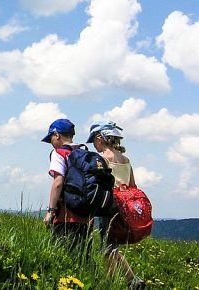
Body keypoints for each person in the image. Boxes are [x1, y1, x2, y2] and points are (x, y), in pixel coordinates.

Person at [87, 121, 146, 290]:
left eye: (94, 141)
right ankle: (133, 281)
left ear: (100, 138)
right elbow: (133, 185)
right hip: (125, 206)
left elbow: (101, 183)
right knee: (112, 246)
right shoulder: (125, 159)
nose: (94, 145)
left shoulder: (103, 159)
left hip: (109, 205)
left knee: (106, 248)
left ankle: (111, 282)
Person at [41, 118, 93, 255]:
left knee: (61, 255)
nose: (51, 143)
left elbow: (58, 182)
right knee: (83, 257)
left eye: (51, 138)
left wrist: (51, 211)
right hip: (85, 215)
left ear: (57, 135)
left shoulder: (59, 153)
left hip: (65, 214)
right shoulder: (85, 153)